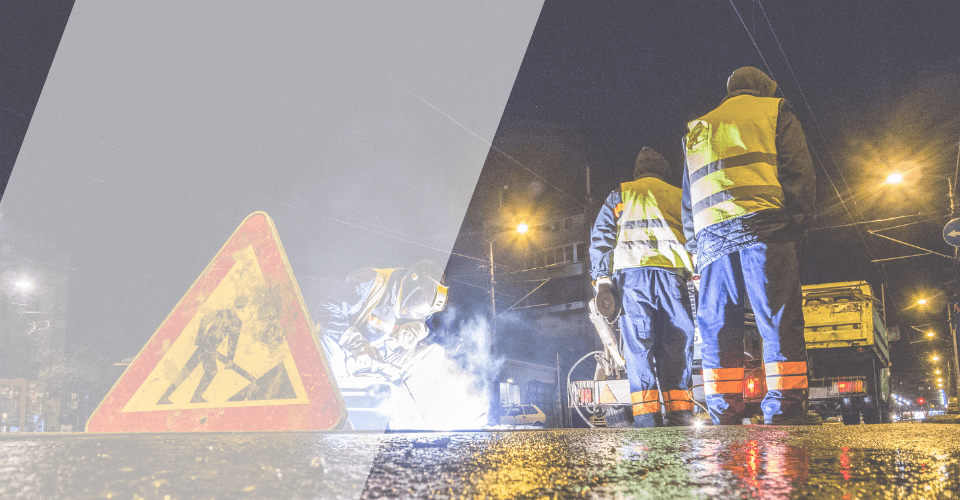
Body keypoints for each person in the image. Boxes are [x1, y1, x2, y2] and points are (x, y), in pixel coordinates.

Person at [680, 66, 818, 425]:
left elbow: (688, 199)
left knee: (718, 327)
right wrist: (798, 222)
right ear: (764, 88)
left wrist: (696, 248)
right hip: (765, 229)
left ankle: (724, 411)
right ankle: (784, 409)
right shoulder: (774, 111)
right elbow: (798, 172)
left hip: (711, 243)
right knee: (777, 319)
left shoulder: (698, 129)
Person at [590, 147, 698, 428]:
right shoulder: (678, 194)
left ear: (638, 171)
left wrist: (602, 278)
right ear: (664, 170)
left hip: (632, 282)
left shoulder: (621, 194)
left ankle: (647, 420)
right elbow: (694, 233)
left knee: (639, 350)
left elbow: (601, 236)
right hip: (672, 279)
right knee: (677, 345)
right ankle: (680, 416)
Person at [313, 260, 448, 382]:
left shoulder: (423, 305)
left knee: (434, 353)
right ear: (411, 282)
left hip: (380, 365)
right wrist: (357, 345)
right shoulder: (370, 280)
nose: (413, 312)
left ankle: (401, 398)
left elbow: (429, 324)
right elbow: (327, 310)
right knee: (321, 352)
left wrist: (419, 329)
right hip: (343, 353)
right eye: (417, 304)